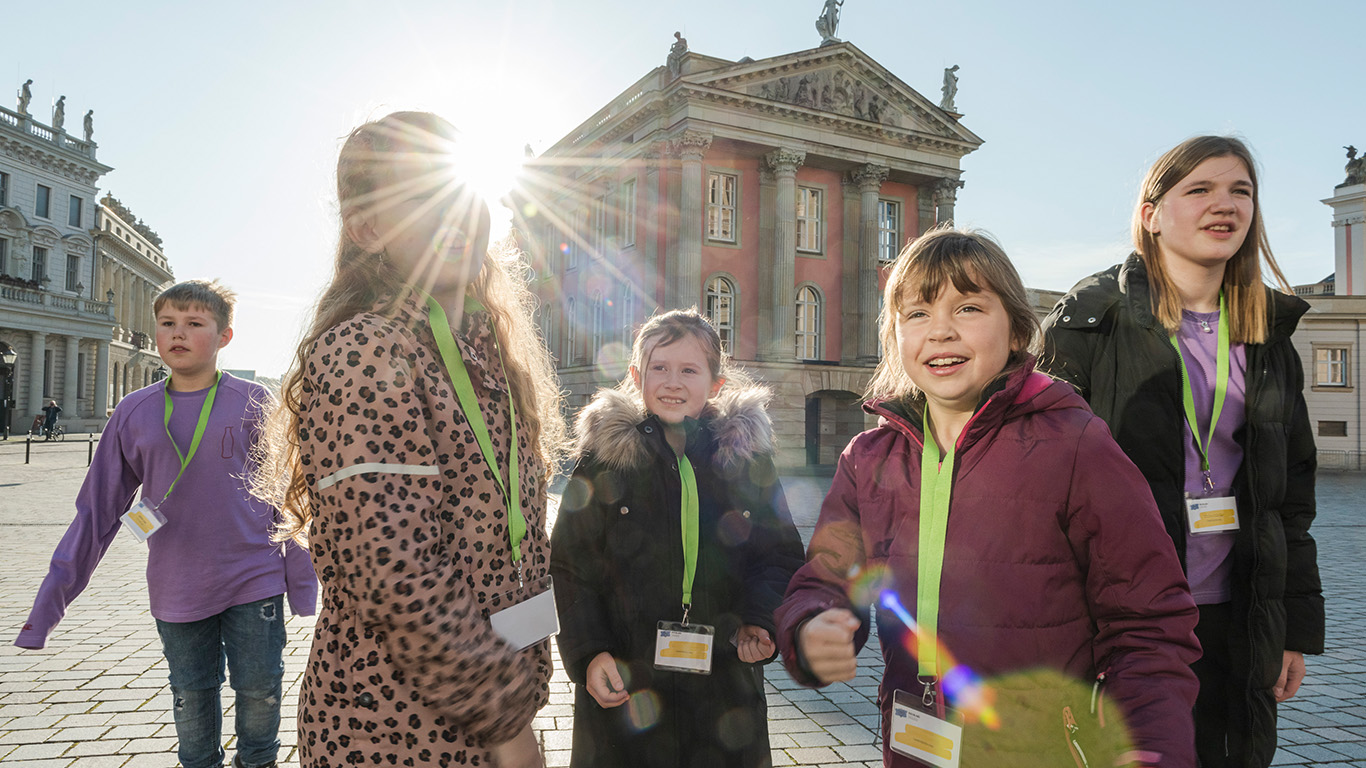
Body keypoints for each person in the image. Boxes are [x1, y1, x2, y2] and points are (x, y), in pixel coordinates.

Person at [776, 227, 1201, 767]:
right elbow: (825, 579)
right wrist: (812, 622)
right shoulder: (867, 458)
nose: (941, 332)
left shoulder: (1075, 444)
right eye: (918, 314)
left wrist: (1146, 746)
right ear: (893, 337)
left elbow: (1149, 623)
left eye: (969, 308)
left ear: (1018, 331)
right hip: (915, 742)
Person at [252, 111, 566, 768]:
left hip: (484, 711)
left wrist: (529, 673)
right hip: (392, 730)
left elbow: (513, 541)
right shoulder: (366, 350)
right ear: (368, 228)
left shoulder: (488, 356)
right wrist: (508, 722)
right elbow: (399, 576)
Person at [1041, 136, 1324, 768]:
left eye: (1240, 191)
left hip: (1238, 609)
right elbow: (1038, 482)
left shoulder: (1268, 332)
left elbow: (1291, 498)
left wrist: (1293, 631)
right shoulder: (1090, 318)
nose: (1223, 204)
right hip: (1126, 616)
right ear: (1151, 212)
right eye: (1199, 189)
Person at [15, 279, 318, 768]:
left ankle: (258, 763)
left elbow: (290, 494)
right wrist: (49, 605)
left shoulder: (255, 402)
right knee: (191, 695)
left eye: (195, 324)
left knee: (260, 690)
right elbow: (95, 513)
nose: (178, 334)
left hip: (254, 578)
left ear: (224, 337)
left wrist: (301, 585)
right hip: (177, 583)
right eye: (168, 324)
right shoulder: (134, 412)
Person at [551, 308, 803, 768]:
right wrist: (590, 653)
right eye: (659, 368)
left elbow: (779, 555)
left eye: (689, 370)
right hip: (628, 679)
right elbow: (570, 564)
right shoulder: (605, 460)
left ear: (716, 384)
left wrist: (759, 620)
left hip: (724, 685)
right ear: (635, 375)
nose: (672, 381)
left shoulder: (745, 462)